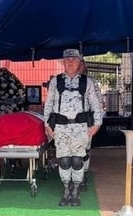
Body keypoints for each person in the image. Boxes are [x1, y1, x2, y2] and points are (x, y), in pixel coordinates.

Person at [44, 48, 103, 206]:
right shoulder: (55, 82)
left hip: (80, 128)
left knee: (77, 161)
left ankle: (76, 190)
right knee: (64, 161)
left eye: (74, 60)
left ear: (79, 63)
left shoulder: (87, 82)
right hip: (61, 128)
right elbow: (48, 104)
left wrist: (97, 124)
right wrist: (47, 125)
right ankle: (66, 190)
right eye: (67, 60)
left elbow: (96, 106)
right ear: (63, 62)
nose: (70, 62)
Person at [78, 58, 103, 192]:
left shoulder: (91, 83)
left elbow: (98, 104)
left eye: (81, 63)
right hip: (69, 124)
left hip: (87, 122)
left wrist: (97, 123)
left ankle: (82, 175)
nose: (78, 66)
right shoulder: (64, 82)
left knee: (85, 150)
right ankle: (72, 178)